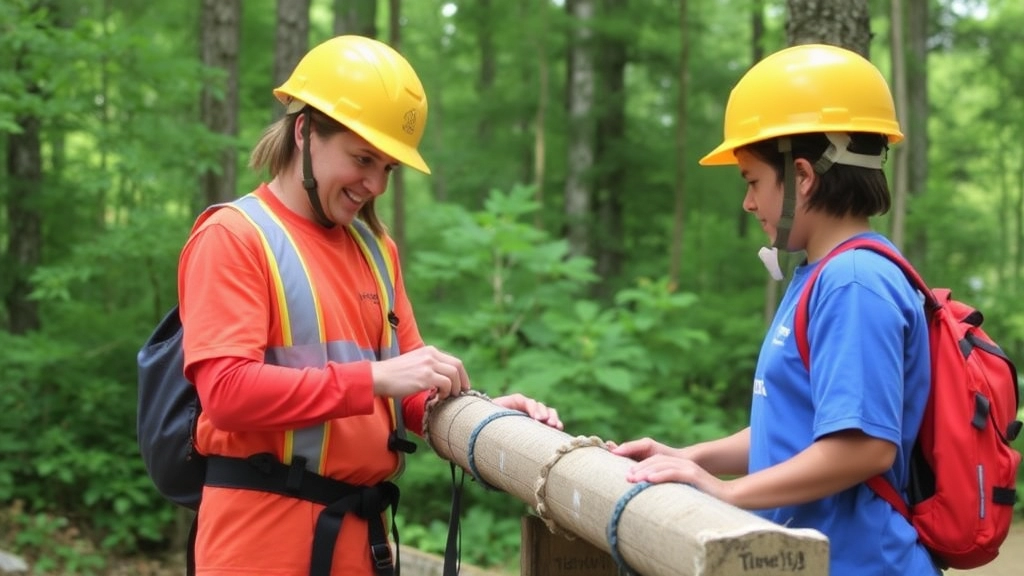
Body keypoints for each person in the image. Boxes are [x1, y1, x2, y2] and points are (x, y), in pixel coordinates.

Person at [178, 35, 562, 576]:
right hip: (260, 543)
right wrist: (374, 378)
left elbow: (409, 393)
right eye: (363, 159)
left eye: (388, 168)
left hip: (360, 544)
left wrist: (488, 412)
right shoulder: (235, 237)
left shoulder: (376, 250)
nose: (375, 184)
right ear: (305, 131)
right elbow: (226, 393)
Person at [611, 44, 939, 575]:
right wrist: (691, 457)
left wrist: (727, 492)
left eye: (752, 181)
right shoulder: (817, 274)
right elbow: (799, 427)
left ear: (803, 177)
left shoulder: (855, 283)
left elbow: (862, 448)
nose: (747, 203)